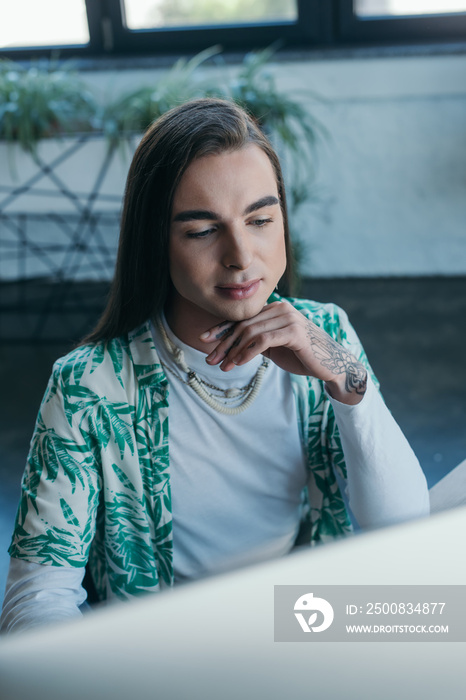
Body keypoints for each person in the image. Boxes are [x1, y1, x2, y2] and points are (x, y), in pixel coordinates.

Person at [0, 98, 429, 633]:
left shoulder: (329, 332)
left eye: (261, 220)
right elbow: (37, 597)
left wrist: (346, 378)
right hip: (170, 650)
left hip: (305, 626)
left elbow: (403, 524)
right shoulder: (89, 385)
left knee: (434, 616)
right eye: (202, 231)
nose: (242, 255)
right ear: (156, 242)